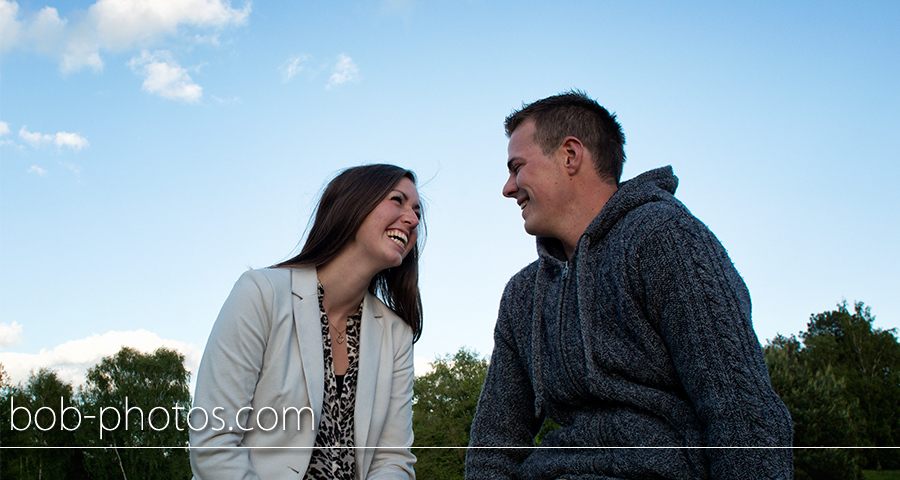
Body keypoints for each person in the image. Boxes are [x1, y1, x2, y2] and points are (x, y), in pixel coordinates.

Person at [466, 91, 793, 480]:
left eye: (517, 167)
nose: (508, 187)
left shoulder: (664, 239)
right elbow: (494, 443)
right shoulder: (523, 295)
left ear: (570, 155)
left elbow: (742, 412)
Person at [191, 164, 422, 480]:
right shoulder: (261, 294)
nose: (413, 219)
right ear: (353, 205)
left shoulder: (397, 334)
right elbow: (213, 441)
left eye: (417, 211)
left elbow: (392, 460)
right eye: (398, 200)